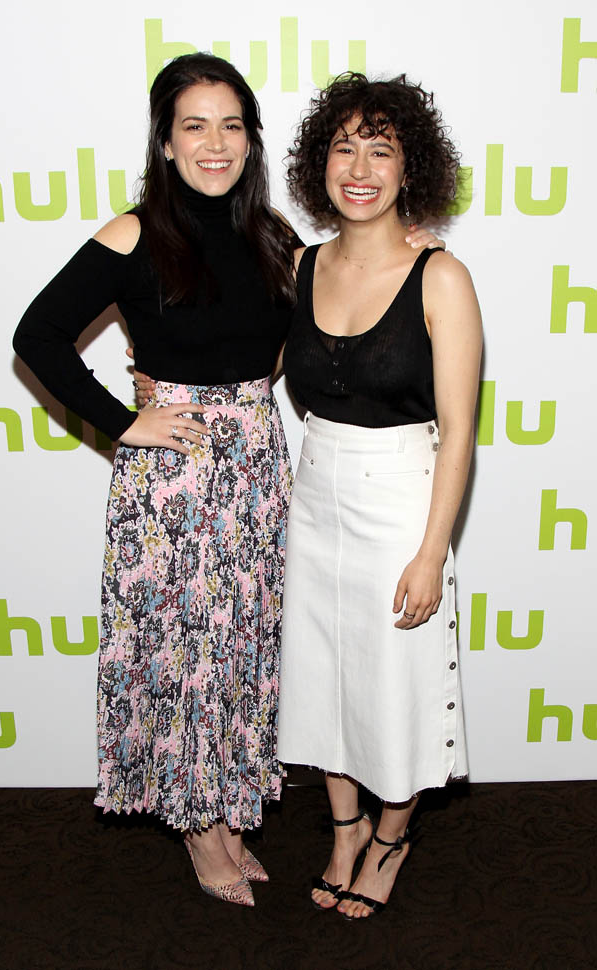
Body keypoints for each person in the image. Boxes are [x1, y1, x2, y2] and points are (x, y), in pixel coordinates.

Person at [13, 52, 301, 908]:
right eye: (193, 126)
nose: (215, 143)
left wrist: (410, 246)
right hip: (172, 484)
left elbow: (328, 317)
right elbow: (37, 336)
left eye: (231, 125)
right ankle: (199, 829)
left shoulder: (273, 236)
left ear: (250, 140)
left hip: (256, 471)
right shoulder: (134, 234)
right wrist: (126, 420)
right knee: (183, 654)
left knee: (240, 649)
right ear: (166, 143)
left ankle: (228, 807)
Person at [276, 72, 482, 919]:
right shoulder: (299, 265)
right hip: (315, 490)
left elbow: (458, 432)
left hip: (402, 497)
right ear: (318, 164)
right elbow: (242, 361)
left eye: (381, 151)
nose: (359, 169)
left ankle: (392, 837)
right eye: (343, 148)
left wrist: (431, 552)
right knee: (321, 675)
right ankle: (345, 828)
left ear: (409, 169)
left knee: (396, 681)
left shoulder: (441, 277)